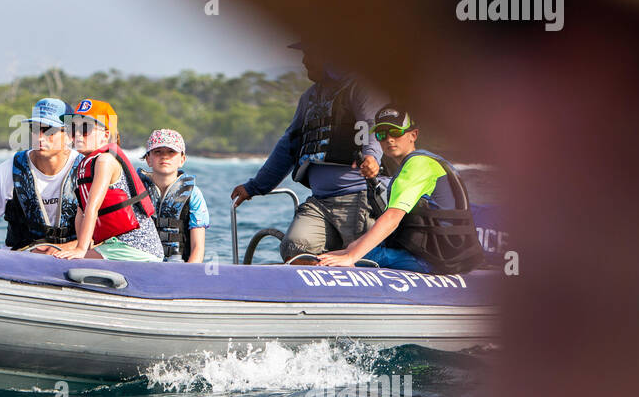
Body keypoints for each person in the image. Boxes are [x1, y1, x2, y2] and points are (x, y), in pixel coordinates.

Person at [230, 43, 387, 259]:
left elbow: (371, 124)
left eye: (310, 54)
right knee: (294, 247)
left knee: (364, 258)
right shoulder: (309, 98)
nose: (304, 61)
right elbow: (288, 146)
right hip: (320, 202)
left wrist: (372, 156)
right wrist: (255, 187)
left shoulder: (359, 89)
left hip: (359, 198)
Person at [316, 107, 484, 273]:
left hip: (433, 259)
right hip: (450, 255)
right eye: (382, 134)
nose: (389, 139)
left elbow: (392, 218)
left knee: (337, 260)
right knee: (348, 249)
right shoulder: (429, 161)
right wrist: (351, 250)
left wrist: (351, 257)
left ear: (413, 135)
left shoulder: (417, 165)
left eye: (396, 132)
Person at [0, 99, 82, 249]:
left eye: (49, 130)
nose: (40, 137)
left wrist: (65, 249)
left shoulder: (86, 169)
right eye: (35, 128)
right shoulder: (8, 171)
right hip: (18, 261)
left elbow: (107, 238)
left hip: (71, 261)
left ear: (70, 135)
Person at [52, 99, 162, 262]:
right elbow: (81, 212)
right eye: (73, 128)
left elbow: (92, 207)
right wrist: (84, 246)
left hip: (137, 247)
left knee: (65, 260)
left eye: (85, 128)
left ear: (104, 135)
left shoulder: (105, 161)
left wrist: (81, 250)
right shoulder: (84, 164)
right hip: (114, 244)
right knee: (55, 254)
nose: (76, 135)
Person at [137, 129, 209, 262]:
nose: (164, 156)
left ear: (182, 159)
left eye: (171, 152)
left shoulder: (193, 194)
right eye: (158, 152)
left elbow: (197, 247)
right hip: (141, 263)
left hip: (178, 266)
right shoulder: (135, 190)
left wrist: (187, 274)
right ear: (148, 159)